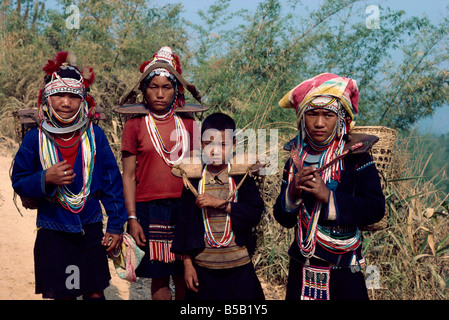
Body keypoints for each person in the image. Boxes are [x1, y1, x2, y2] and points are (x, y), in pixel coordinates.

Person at [11, 51, 128, 300]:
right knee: (62, 293)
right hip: (53, 229)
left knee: (94, 292)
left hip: (91, 226)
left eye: (73, 96)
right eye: (59, 95)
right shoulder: (35, 138)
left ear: (83, 100)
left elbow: (112, 183)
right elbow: (19, 180)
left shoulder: (94, 136)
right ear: (47, 99)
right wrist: (45, 178)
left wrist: (116, 225)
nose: (66, 103)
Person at [273, 73, 385, 300]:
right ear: (301, 118)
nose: (319, 123)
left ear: (342, 118)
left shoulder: (357, 157)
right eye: (312, 114)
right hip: (301, 267)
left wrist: (329, 197)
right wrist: (292, 194)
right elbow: (283, 219)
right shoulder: (295, 159)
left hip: (345, 269)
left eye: (328, 115)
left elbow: (375, 208)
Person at [121, 46, 198, 300]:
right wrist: (132, 218)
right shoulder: (134, 125)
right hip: (148, 208)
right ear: (144, 90)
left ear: (176, 91)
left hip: (185, 206)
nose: (160, 94)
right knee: (160, 275)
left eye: (167, 87)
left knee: (185, 273)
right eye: (154, 87)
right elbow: (129, 176)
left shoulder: (189, 124)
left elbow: (200, 170)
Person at [171, 112, 265, 300]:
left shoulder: (242, 178)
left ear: (234, 145)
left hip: (239, 266)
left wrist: (220, 204)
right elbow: (184, 224)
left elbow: (255, 213)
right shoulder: (194, 181)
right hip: (203, 267)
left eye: (223, 145)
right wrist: (188, 265)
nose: (215, 151)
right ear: (201, 144)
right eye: (209, 144)